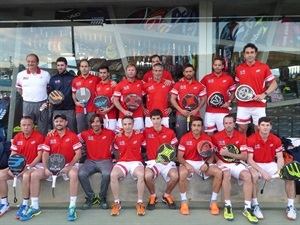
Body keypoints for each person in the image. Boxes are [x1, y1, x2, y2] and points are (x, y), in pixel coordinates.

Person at [19, 114, 82, 221]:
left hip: (68, 164)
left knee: (74, 174)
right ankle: (34, 206)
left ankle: (72, 206)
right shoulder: (49, 136)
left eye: (61, 121)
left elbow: (78, 153)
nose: (59, 123)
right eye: (56, 121)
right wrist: (46, 167)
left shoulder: (72, 136)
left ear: (66, 123)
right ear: (54, 123)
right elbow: (45, 154)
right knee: (34, 175)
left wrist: (69, 166)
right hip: (51, 165)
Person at [247, 116, 297, 220]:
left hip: (270, 163)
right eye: (263, 125)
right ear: (258, 127)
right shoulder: (251, 139)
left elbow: (279, 157)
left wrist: (280, 170)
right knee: (254, 176)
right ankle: (255, 205)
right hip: (256, 164)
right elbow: (250, 160)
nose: (265, 127)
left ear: (271, 127)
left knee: (290, 176)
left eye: (267, 125)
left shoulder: (276, 140)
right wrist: (263, 173)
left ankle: (290, 206)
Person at [212, 114, 258, 223]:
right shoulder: (216, 136)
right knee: (226, 174)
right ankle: (228, 206)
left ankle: (247, 207)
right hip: (222, 164)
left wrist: (228, 153)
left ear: (234, 124)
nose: (228, 125)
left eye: (230, 123)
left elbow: (244, 156)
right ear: (223, 124)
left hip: (237, 163)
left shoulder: (241, 136)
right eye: (226, 123)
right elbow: (213, 153)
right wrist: (217, 160)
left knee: (247, 176)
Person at [0, 116, 44, 219]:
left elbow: (39, 156)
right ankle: (4, 203)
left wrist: (28, 167)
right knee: (1, 175)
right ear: (20, 126)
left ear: (33, 126)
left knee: (26, 176)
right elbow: (13, 154)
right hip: (19, 166)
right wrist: (12, 167)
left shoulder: (39, 137)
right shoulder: (17, 137)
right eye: (24, 125)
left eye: (29, 125)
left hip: (34, 165)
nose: (26, 127)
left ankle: (25, 204)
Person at [177, 117, 222, 215]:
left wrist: (206, 163)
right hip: (189, 162)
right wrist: (187, 165)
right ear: (191, 126)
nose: (196, 128)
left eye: (198, 126)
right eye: (194, 125)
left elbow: (212, 155)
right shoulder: (184, 138)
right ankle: (184, 201)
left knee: (218, 172)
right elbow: (179, 157)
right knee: (182, 173)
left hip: (202, 163)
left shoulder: (207, 138)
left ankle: (213, 201)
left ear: (202, 127)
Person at [235, 43, 278, 135]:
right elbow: (238, 86)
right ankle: (244, 148)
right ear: (244, 54)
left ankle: (256, 149)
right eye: (247, 53)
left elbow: (274, 84)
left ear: (255, 54)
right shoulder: (239, 68)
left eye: (252, 52)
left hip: (258, 104)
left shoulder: (263, 67)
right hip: (243, 104)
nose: (249, 55)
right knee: (242, 129)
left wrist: (263, 94)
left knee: (259, 129)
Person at [78, 114, 115, 210]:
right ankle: (91, 197)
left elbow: (122, 134)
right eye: (93, 122)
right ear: (90, 124)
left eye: (97, 121)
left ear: (102, 123)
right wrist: (53, 131)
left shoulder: (110, 133)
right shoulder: (85, 134)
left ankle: (102, 197)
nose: (95, 124)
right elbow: (74, 139)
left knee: (107, 174)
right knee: (81, 173)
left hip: (106, 160)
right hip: (90, 161)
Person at [110, 116, 146, 216]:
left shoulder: (140, 135)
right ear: (122, 125)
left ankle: (140, 203)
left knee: (140, 175)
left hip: (136, 162)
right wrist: (116, 160)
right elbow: (116, 150)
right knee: (113, 175)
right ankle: (117, 203)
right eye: (125, 124)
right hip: (123, 162)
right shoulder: (118, 137)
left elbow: (146, 147)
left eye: (129, 124)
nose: (127, 126)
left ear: (133, 124)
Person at [143, 109, 178, 210]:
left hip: (167, 162)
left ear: (161, 119)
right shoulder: (146, 131)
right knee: (147, 176)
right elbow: (134, 134)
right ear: (150, 120)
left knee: (175, 176)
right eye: (153, 119)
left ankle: (166, 195)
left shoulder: (170, 132)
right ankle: (153, 196)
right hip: (153, 161)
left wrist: (169, 159)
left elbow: (174, 148)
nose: (156, 121)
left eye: (158, 118)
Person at [16, 53, 50, 135]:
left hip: (42, 104)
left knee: (43, 129)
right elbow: (20, 88)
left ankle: (42, 147)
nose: (30, 63)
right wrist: (25, 96)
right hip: (27, 104)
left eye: (33, 61)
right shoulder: (21, 75)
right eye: (28, 61)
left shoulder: (45, 74)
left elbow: (48, 89)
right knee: (27, 128)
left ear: (37, 63)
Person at [170, 64, 206, 140]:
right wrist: (181, 110)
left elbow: (204, 99)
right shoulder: (178, 84)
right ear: (183, 73)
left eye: (190, 71)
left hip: (195, 114)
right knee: (181, 135)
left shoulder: (199, 85)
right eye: (186, 71)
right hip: (181, 114)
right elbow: (172, 99)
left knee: (196, 135)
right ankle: (181, 151)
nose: (188, 73)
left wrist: (196, 110)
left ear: (193, 72)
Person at [201, 57, 236, 136]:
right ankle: (211, 148)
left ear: (223, 66)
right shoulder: (206, 78)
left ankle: (222, 148)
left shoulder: (228, 78)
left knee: (223, 134)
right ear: (213, 66)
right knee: (209, 134)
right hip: (209, 111)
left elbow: (233, 92)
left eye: (219, 65)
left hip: (223, 112)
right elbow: (197, 88)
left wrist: (229, 102)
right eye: (215, 65)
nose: (217, 67)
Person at [49, 57, 77, 133]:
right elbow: (50, 94)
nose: (60, 67)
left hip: (70, 109)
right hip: (57, 109)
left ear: (66, 66)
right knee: (56, 132)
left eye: (62, 65)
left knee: (72, 131)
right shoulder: (53, 79)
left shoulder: (73, 78)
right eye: (58, 65)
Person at [72, 59, 100, 133]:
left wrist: (113, 82)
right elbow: (73, 93)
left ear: (89, 68)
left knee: (93, 131)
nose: (84, 68)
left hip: (92, 109)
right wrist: (75, 102)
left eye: (86, 66)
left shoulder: (95, 79)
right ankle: (83, 145)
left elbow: (104, 83)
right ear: (80, 68)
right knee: (81, 132)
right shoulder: (75, 80)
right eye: (82, 66)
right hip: (80, 110)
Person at [113, 64, 144, 131]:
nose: (131, 72)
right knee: (121, 137)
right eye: (129, 70)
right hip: (123, 116)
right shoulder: (120, 85)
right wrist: (124, 111)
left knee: (138, 136)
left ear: (135, 72)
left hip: (138, 115)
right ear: (126, 72)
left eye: (133, 70)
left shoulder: (141, 83)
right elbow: (115, 100)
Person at [143, 63, 173, 128]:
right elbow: (139, 97)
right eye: (156, 71)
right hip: (150, 116)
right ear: (152, 72)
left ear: (162, 72)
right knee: (149, 137)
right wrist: (143, 108)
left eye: (159, 71)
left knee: (164, 137)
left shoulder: (167, 84)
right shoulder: (146, 85)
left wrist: (171, 107)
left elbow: (173, 97)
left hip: (164, 115)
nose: (158, 73)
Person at [95, 66, 117, 131]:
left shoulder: (113, 85)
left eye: (104, 73)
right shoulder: (97, 86)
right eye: (101, 73)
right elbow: (96, 100)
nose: (102, 75)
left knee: (111, 135)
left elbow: (116, 101)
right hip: (99, 116)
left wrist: (108, 109)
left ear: (108, 73)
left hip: (111, 116)